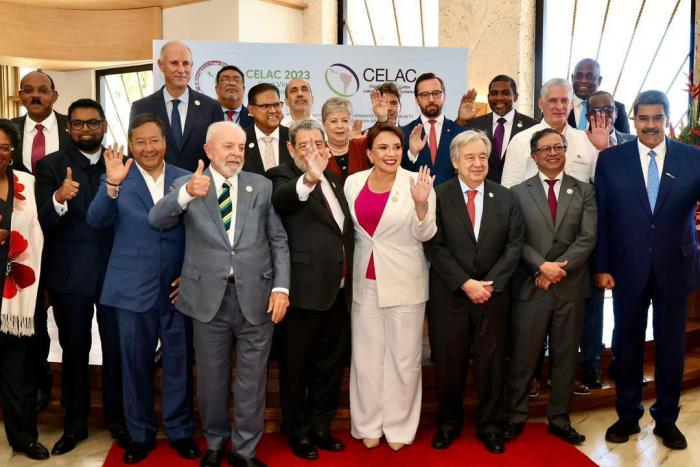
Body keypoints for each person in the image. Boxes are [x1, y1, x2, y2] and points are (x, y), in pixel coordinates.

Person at [149, 121, 290, 467]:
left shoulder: (262, 186)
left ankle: (245, 451)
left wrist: (281, 288)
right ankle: (215, 444)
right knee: (211, 381)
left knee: (252, 382)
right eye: (228, 147)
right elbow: (156, 219)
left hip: (257, 298)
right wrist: (185, 195)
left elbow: (278, 240)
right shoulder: (187, 184)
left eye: (240, 148)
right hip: (207, 300)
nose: (235, 154)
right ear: (209, 151)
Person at [86, 114, 199, 464]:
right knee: (134, 365)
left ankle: (181, 431)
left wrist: (191, 272)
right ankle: (139, 434)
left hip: (177, 289)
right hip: (131, 288)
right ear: (131, 145)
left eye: (154, 141)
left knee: (179, 362)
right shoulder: (117, 177)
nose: (148, 148)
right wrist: (112, 187)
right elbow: (96, 220)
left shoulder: (186, 179)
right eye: (141, 142)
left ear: (165, 143)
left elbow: (201, 232)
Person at [595, 90, 700, 450]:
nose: (651, 125)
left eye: (657, 118)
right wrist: (602, 266)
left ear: (667, 119)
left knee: (671, 347)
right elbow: (603, 218)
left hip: (676, 266)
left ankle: (666, 419)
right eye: (644, 118)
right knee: (627, 345)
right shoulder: (610, 160)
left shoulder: (692, 159)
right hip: (626, 267)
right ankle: (627, 415)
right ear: (634, 120)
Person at [34, 99, 127, 455]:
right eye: (77, 124)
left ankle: (118, 421)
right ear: (68, 128)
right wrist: (59, 198)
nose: (85, 129)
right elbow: (43, 221)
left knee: (116, 351)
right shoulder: (51, 166)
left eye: (92, 123)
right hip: (70, 276)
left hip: (115, 273)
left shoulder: (121, 163)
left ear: (103, 126)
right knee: (75, 352)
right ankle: (75, 426)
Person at [424, 131, 524, 454]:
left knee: (492, 366)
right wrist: (465, 283)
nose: (478, 163)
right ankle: (449, 424)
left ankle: (491, 426)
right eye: (469, 157)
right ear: (455, 162)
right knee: (449, 366)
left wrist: (490, 284)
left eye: (482, 156)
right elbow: (434, 247)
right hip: (451, 296)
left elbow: (514, 245)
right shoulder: (439, 195)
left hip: (493, 297)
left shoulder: (505, 197)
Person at [344, 124, 437, 451]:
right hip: (364, 282)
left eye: (396, 147)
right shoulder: (353, 183)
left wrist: (422, 205)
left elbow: (426, 234)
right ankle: (368, 423)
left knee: (403, 358)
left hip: (405, 281)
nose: (391, 154)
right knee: (366, 358)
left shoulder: (418, 182)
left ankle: (399, 426)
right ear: (369, 153)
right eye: (383, 148)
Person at [267, 119, 354, 461]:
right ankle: (298, 432)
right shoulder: (281, 176)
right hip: (302, 294)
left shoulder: (335, 178)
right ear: (291, 149)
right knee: (295, 370)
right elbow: (285, 201)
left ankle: (322, 426)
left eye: (318, 144)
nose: (313, 152)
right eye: (304, 146)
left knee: (329, 366)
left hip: (339, 291)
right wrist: (309, 176)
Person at [504, 128, 596, 446]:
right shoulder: (517, 192)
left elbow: (587, 239)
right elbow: (516, 239)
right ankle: (515, 416)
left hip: (570, 289)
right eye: (546, 149)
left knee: (565, 357)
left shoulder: (584, 191)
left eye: (559, 147)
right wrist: (541, 267)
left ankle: (560, 418)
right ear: (534, 156)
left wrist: (557, 270)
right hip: (532, 287)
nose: (553, 153)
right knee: (523, 356)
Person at [11, 70, 70, 413]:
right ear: (20, 95)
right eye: (29, 90)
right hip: (19, 240)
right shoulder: (7, 131)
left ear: (54, 95)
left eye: (43, 90)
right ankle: (37, 382)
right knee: (27, 318)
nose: (36, 95)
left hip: (62, 237)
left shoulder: (73, 127)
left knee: (63, 315)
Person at [579, 90, 636, 390]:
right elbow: (583, 190)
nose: (602, 114)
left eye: (608, 108)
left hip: (628, 238)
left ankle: (622, 360)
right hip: (592, 236)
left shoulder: (632, 142)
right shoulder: (576, 143)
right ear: (587, 113)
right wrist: (600, 152)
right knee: (593, 305)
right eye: (595, 109)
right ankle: (591, 363)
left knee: (628, 304)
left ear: (616, 112)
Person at [0, 119, 47, 460]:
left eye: (4, 147)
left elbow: (41, 228)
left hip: (19, 293)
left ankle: (24, 437)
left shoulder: (27, 183)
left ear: (12, 152)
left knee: (20, 372)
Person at [129, 40, 224, 172]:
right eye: (174, 63)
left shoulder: (211, 107)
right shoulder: (142, 107)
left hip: (202, 186)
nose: (181, 70)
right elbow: (134, 152)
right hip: (157, 188)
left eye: (186, 64)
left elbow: (220, 152)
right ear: (161, 65)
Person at [501, 78, 606, 188]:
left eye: (565, 101)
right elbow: (509, 187)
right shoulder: (521, 140)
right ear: (541, 104)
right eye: (553, 100)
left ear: (571, 105)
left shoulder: (586, 140)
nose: (559, 107)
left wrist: (603, 149)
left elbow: (603, 181)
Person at [456, 75, 539, 183]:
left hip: (518, 193)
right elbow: (455, 150)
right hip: (482, 192)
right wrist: (460, 121)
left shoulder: (532, 126)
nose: (499, 98)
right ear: (488, 97)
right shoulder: (474, 125)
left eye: (505, 93)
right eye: (494, 93)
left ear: (516, 96)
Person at [401, 72, 467, 185]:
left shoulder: (461, 133)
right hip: (415, 200)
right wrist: (412, 153)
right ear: (417, 100)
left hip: (450, 200)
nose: (431, 99)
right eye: (425, 95)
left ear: (444, 96)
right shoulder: (404, 132)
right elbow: (399, 172)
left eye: (436, 93)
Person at [568, 58, 630, 133]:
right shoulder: (560, 106)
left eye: (590, 76)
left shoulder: (616, 109)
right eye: (579, 76)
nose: (583, 80)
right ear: (572, 78)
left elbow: (625, 141)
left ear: (599, 80)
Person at [242, 83, 292, 175]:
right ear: (251, 109)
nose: (273, 111)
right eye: (265, 106)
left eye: (276, 105)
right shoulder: (240, 140)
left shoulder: (294, 137)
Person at [321, 97, 370, 183]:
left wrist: (383, 119)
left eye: (344, 120)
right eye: (334, 121)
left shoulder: (362, 146)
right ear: (324, 125)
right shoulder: (318, 152)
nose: (340, 126)